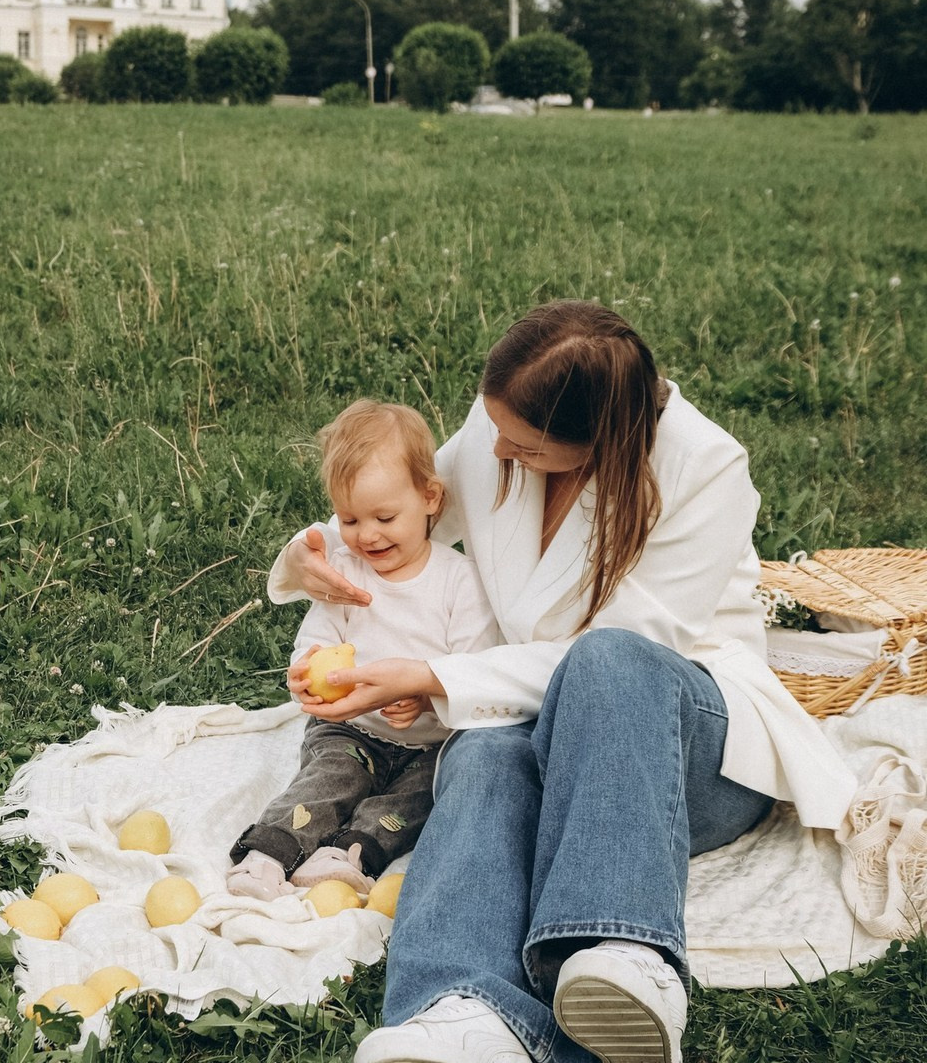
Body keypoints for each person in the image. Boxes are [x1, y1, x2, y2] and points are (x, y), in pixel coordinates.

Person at [268, 301, 857, 1063]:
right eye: (494, 429)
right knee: (478, 751)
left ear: (595, 443)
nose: (494, 451)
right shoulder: (506, 424)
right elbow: (414, 500)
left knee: (607, 660)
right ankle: (463, 1008)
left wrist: (432, 672)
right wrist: (313, 557)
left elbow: (618, 653)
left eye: (523, 448)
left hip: (680, 753)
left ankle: (623, 952)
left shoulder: (705, 468)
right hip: (532, 722)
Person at [228, 399, 499, 901]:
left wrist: (425, 695)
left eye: (385, 517)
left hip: (431, 744)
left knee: (420, 799)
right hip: (351, 728)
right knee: (333, 777)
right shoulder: (348, 576)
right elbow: (318, 637)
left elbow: (471, 667)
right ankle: (268, 852)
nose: (367, 535)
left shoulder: (460, 581)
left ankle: (351, 853)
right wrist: (305, 669)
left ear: (431, 498)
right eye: (350, 520)